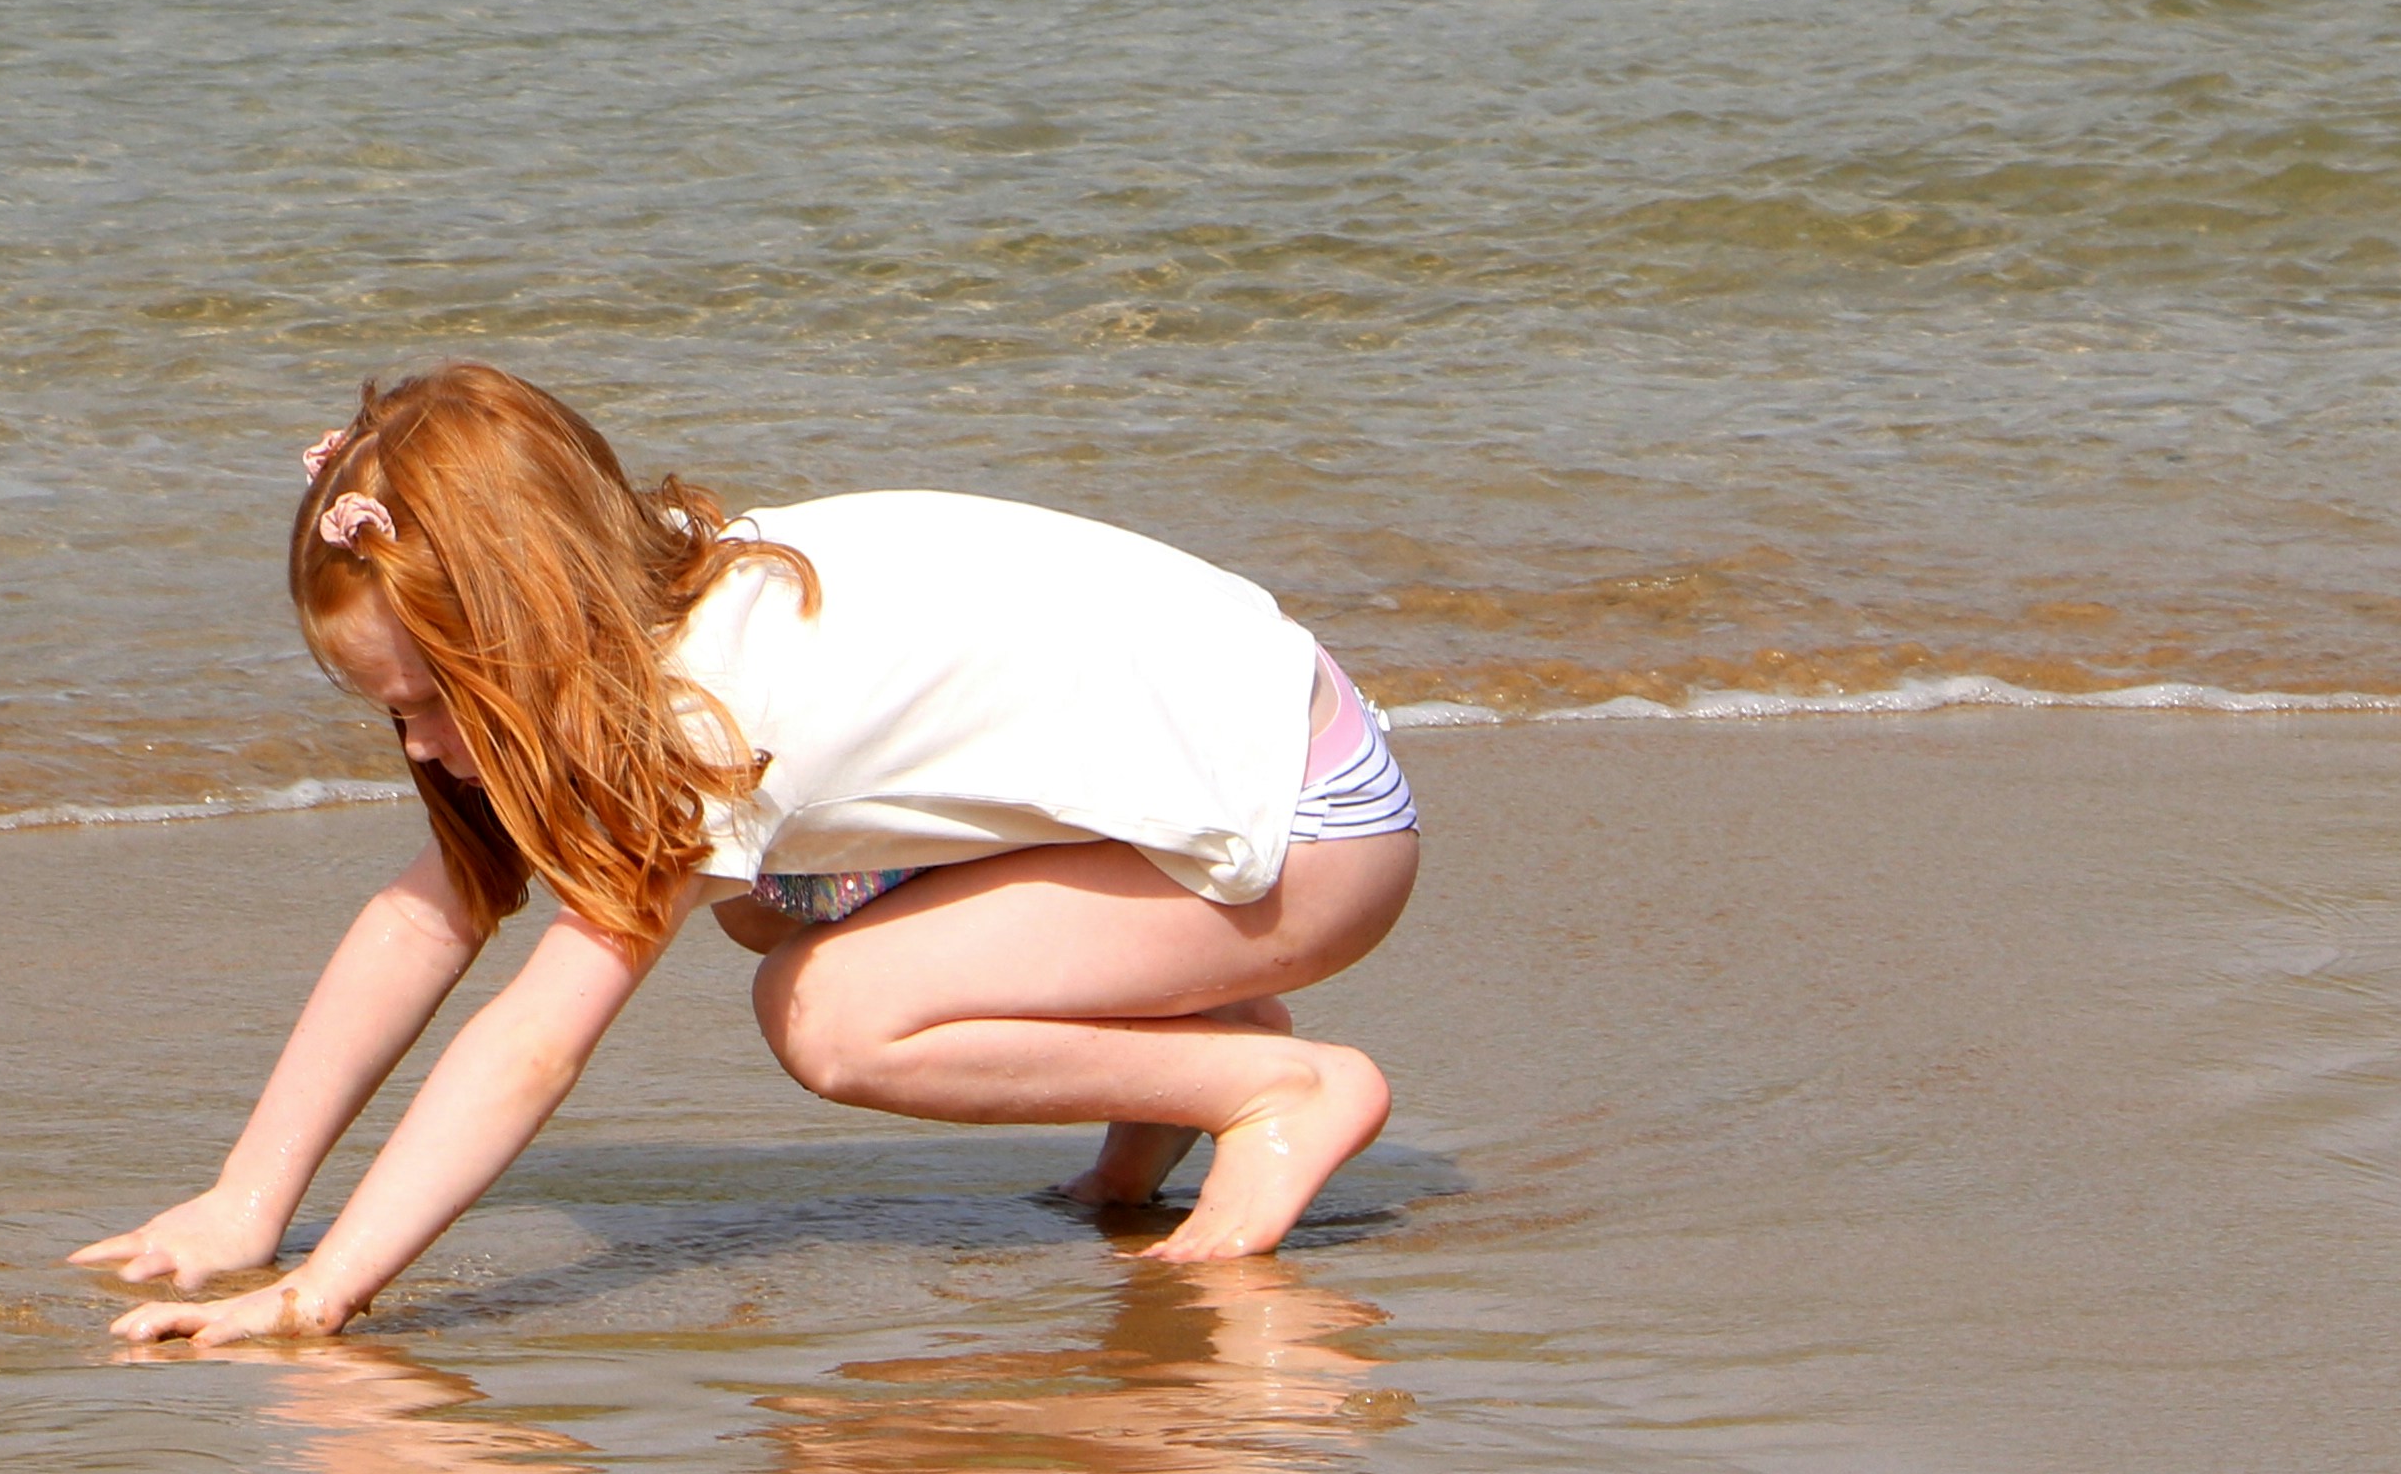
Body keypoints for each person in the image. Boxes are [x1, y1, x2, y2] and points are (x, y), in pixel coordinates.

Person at [79, 362, 1422, 1346]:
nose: (420, 744)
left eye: (436, 702)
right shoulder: (663, 595)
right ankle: (1203, 1066)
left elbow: (536, 1039)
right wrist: (247, 1202)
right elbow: (421, 919)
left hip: (1311, 830)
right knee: (773, 909)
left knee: (826, 1009)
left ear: (532, 634)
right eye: (392, 711)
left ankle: (1273, 1091)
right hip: (1243, 765)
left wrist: (326, 1292)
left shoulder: (696, 713)